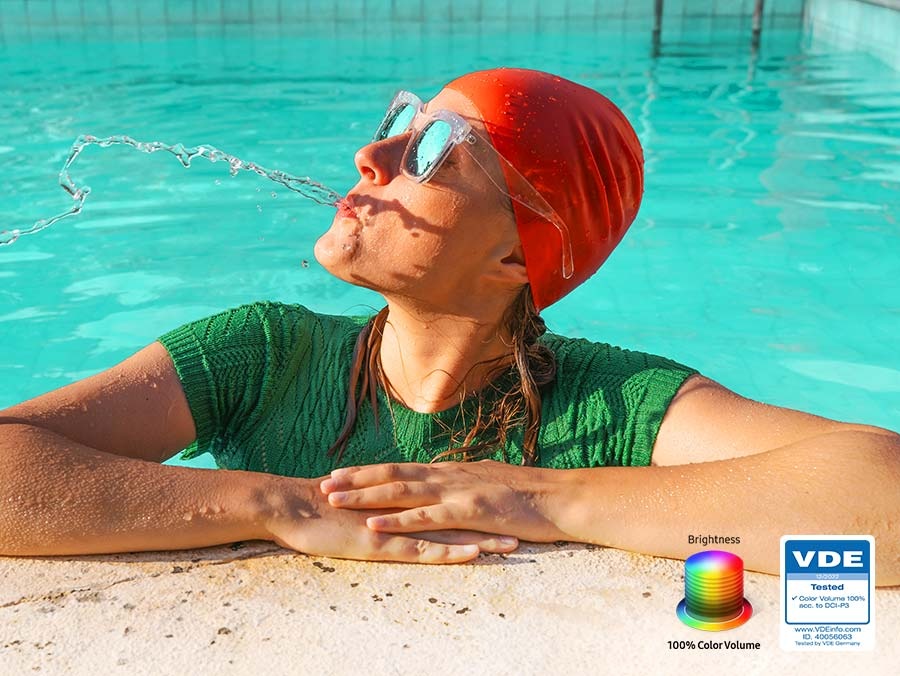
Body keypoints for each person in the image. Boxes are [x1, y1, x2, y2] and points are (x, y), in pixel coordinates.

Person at [1, 68, 897, 585]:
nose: (373, 155)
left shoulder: (615, 402)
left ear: (518, 257)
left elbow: (880, 494)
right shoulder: (265, 352)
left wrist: (541, 499)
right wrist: (283, 505)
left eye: (433, 151)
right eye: (399, 122)